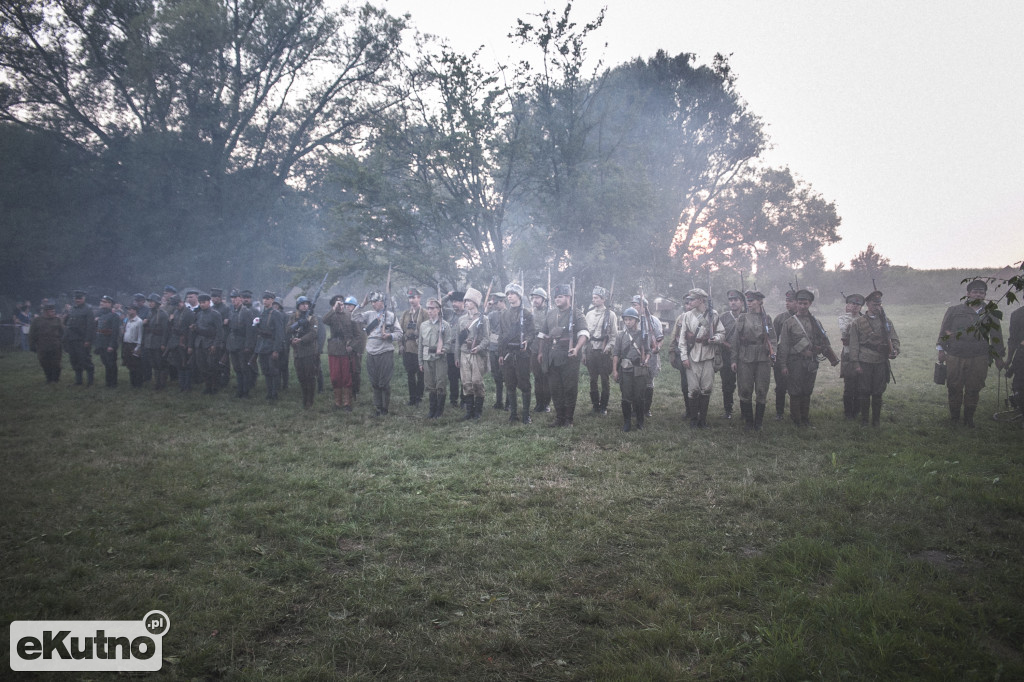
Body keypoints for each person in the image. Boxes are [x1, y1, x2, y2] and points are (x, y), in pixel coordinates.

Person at [937, 279, 1005, 427]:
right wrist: (941, 349)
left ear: (985, 295)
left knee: (974, 388)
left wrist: (998, 357)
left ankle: (969, 419)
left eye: (981, 292)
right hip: (955, 354)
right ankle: (954, 418)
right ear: (968, 294)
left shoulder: (990, 313)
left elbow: (996, 336)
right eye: (975, 292)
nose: (978, 295)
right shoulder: (955, 311)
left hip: (979, 356)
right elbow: (944, 330)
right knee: (954, 386)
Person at [777, 289, 839, 426]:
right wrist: (783, 365)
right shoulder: (789, 323)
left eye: (805, 303)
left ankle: (805, 418)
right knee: (795, 391)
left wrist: (819, 349)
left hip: (811, 362)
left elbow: (824, 341)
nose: (803, 306)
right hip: (795, 362)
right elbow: (784, 346)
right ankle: (796, 419)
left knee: (807, 390)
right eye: (800, 303)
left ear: (810, 304)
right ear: (796, 304)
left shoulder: (816, 322)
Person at [538, 283, 590, 426]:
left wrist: (577, 348)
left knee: (569, 388)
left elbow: (584, 334)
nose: (557, 299)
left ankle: (568, 419)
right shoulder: (550, 314)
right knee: (555, 388)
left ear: (568, 297)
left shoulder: (577, 314)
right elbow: (542, 334)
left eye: (560, 296)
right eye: (555, 297)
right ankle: (559, 417)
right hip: (552, 357)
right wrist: (541, 352)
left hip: (569, 356)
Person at [849, 290, 900, 426]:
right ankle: (864, 420)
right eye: (874, 304)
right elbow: (853, 344)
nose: (877, 307)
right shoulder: (858, 323)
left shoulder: (886, 322)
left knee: (878, 392)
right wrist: (855, 363)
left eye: (879, 304)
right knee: (864, 392)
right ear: (867, 305)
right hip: (865, 361)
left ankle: (876, 421)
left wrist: (894, 351)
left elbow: (894, 340)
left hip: (881, 362)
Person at [678, 288, 725, 428]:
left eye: (692, 299)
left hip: (708, 355)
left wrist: (715, 338)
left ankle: (702, 420)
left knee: (707, 389)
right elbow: (682, 339)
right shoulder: (687, 315)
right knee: (693, 390)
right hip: (692, 355)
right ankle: (693, 420)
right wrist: (684, 356)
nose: (690, 302)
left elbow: (722, 333)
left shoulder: (713, 314)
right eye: (689, 300)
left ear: (701, 300)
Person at [728, 290, 775, 430]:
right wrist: (733, 360)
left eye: (752, 301)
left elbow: (773, 338)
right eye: (748, 301)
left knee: (761, 390)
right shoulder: (742, 318)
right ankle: (748, 422)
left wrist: (773, 353)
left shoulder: (767, 318)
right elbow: (735, 340)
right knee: (745, 390)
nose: (749, 304)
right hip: (745, 357)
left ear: (760, 302)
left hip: (763, 357)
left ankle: (758, 423)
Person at [352, 291, 403, 416]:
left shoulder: (390, 316)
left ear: (382, 302)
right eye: (372, 302)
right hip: (371, 351)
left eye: (375, 301)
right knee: (374, 382)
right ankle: (378, 407)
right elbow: (353, 317)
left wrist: (389, 335)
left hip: (385, 351)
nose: (373, 304)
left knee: (383, 382)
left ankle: (385, 408)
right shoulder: (369, 314)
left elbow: (400, 333)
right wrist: (362, 305)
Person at [497, 283, 535, 424]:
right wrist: (501, 354)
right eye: (508, 294)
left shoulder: (526, 314)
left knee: (524, 384)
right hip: (507, 353)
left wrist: (527, 341)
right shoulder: (504, 315)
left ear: (519, 295)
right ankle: (513, 414)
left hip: (522, 353)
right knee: (510, 383)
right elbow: (501, 335)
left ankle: (526, 415)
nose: (510, 296)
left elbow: (532, 333)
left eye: (512, 293)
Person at [612, 307, 649, 431]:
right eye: (626, 320)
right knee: (626, 397)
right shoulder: (620, 335)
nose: (627, 322)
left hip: (640, 369)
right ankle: (627, 422)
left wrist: (646, 360)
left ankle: (640, 422)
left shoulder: (643, 335)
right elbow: (616, 354)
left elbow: (649, 352)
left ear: (636, 321)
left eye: (630, 320)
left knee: (639, 397)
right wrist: (615, 370)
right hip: (626, 369)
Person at [419, 297, 455, 419]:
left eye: (432, 308)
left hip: (440, 358)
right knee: (430, 384)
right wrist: (420, 361)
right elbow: (420, 344)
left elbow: (449, 342)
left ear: (439, 310)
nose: (430, 311)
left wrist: (444, 348)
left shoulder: (445, 325)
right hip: (427, 357)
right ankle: (432, 410)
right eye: (428, 308)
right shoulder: (423, 325)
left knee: (440, 383)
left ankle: (439, 411)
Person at [584, 286, 618, 415]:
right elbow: (585, 335)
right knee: (593, 379)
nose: (594, 300)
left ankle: (603, 406)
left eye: (596, 297)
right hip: (591, 350)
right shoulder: (589, 314)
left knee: (604, 379)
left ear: (603, 299)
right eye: (593, 297)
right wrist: (583, 352)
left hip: (604, 352)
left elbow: (614, 336)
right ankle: (595, 406)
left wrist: (608, 348)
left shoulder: (611, 315)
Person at [457, 287, 489, 420]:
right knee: (466, 383)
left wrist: (479, 347)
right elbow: (458, 341)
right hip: (464, 353)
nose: (466, 303)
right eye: (465, 301)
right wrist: (456, 356)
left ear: (475, 303)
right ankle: (469, 411)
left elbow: (487, 338)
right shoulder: (461, 320)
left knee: (477, 382)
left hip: (476, 355)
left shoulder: (484, 319)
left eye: (468, 301)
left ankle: (478, 411)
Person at [323, 294, 359, 410]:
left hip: (346, 350)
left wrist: (352, 346)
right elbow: (324, 320)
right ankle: (337, 402)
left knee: (346, 377)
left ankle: (347, 403)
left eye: (341, 302)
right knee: (335, 377)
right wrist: (334, 309)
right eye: (337, 303)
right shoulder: (332, 316)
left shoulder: (350, 315)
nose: (340, 305)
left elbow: (357, 335)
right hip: (334, 350)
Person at [288, 295, 320, 408]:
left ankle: (310, 400)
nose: (305, 306)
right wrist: (292, 337)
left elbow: (313, 333)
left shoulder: (312, 317)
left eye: (307, 304)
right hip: (297, 352)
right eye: (302, 304)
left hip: (309, 351)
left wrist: (301, 339)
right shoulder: (293, 317)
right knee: (301, 376)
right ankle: (304, 397)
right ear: (298, 306)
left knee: (310, 376)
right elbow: (288, 329)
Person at [838, 293, 865, 419]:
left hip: (863, 355)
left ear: (861, 307)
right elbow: (845, 331)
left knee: (861, 385)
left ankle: (857, 411)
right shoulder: (843, 318)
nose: (855, 306)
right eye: (852, 304)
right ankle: (848, 412)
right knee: (849, 384)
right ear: (848, 305)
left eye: (858, 304)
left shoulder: (865, 319)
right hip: (848, 354)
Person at [254, 292, 286, 401]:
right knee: (265, 370)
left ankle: (274, 393)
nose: (265, 301)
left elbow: (279, 333)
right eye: (264, 298)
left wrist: (276, 349)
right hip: (262, 345)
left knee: (273, 370)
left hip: (271, 345)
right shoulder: (262, 313)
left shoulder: (276, 314)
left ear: (272, 300)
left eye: (268, 299)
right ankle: (269, 392)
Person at [718, 290, 745, 419]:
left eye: (736, 300)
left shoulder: (747, 316)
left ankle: (745, 411)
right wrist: (726, 344)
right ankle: (728, 410)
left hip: (744, 356)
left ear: (742, 302)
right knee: (727, 385)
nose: (733, 302)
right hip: (727, 355)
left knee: (745, 384)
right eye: (731, 300)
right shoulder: (723, 317)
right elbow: (718, 335)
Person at [225, 290, 256, 398]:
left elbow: (249, 330)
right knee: (237, 368)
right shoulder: (232, 311)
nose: (234, 300)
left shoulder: (246, 312)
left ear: (240, 299)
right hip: (233, 343)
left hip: (243, 343)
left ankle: (245, 391)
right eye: (232, 298)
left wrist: (248, 345)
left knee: (244, 368)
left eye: (236, 298)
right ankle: (239, 390)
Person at [670, 294, 696, 419]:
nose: (688, 306)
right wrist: (672, 353)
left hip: (697, 354)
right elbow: (674, 336)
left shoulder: (701, 317)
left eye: (691, 303)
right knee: (685, 384)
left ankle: (698, 410)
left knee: (698, 384)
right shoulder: (680, 318)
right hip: (682, 354)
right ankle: (689, 410)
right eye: (686, 303)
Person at [772, 290, 797, 420]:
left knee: (797, 387)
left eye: (791, 301)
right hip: (782, 357)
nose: (787, 303)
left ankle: (796, 413)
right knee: (781, 386)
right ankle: (779, 412)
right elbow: (773, 339)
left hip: (798, 357)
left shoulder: (806, 318)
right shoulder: (779, 318)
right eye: (787, 301)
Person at [400, 288, 426, 406]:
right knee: (410, 374)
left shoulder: (424, 313)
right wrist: (400, 345)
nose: (411, 300)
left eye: (414, 297)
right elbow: (400, 331)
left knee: (421, 375)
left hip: (420, 348)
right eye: (410, 298)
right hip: (408, 348)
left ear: (419, 298)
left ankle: (419, 398)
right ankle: (412, 398)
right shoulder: (406, 314)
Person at [64, 290, 96, 386]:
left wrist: (88, 340)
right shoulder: (72, 309)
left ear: (83, 298)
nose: (77, 300)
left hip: (82, 339)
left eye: (79, 298)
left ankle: (90, 381)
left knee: (85, 359)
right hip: (72, 339)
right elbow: (67, 323)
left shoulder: (88, 309)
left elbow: (90, 326)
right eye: (76, 298)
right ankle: (78, 381)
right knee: (74, 360)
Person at [28, 301, 64, 383]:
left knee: (56, 363)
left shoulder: (57, 320)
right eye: (51, 311)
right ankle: (49, 378)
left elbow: (62, 332)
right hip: (42, 346)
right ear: (45, 311)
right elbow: (32, 333)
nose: (53, 312)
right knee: (44, 363)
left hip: (55, 345)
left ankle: (55, 379)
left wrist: (62, 342)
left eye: (53, 311)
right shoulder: (37, 321)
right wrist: (32, 345)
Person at [529, 287, 551, 414]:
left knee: (546, 376)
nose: (534, 300)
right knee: (537, 376)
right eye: (533, 298)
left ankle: (546, 403)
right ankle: (539, 403)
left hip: (547, 346)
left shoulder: (550, 313)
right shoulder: (531, 313)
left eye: (537, 298)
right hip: (534, 346)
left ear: (544, 299)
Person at [444, 291, 466, 408]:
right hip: (451, 350)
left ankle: (464, 400)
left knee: (463, 376)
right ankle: (453, 400)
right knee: (452, 376)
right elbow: (439, 305)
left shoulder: (467, 315)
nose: (454, 304)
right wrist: (447, 296)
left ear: (463, 302)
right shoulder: (449, 314)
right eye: (453, 301)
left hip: (463, 349)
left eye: (457, 301)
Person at [94, 295, 121, 388]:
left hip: (109, 343)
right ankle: (108, 382)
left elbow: (115, 333)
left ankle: (113, 383)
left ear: (110, 304)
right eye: (101, 301)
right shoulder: (99, 315)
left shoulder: (114, 316)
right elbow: (97, 330)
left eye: (105, 302)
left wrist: (111, 345)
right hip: (101, 342)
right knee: (105, 362)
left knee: (111, 363)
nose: (102, 303)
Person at [344, 296, 366, 402]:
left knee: (356, 371)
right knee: (348, 370)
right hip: (348, 347)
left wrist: (358, 350)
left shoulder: (358, 318)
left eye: (350, 305)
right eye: (347, 305)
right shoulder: (347, 317)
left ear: (355, 306)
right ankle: (349, 390)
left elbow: (362, 336)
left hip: (357, 349)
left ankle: (355, 391)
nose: (348, 307)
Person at [487, 291, 507, 410]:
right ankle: (499, 402)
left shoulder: (509, 313)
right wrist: (487, 309)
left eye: (496, 303)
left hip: (505, 348)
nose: (494, 305)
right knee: (496, 377)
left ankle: (509, 403)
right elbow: (483, 320)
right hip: (493, 348)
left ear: (502, 302)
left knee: (508, 377)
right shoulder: (492, 314)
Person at [1005, 304, 1024, 428]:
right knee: (1019, 386)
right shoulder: (1017, 314)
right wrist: (1009, 360)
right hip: (1022, 354)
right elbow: (1013, 339)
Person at [121, 303, 145, 388]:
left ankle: (138, 383)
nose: (128, 311)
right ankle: (132, 382)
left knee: (136, 365)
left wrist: (138, 347)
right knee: (130, 364)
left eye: (130, 309)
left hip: (134, 345)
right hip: (127, 344)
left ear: (135, 311)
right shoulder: (127, 320)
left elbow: (140, 335)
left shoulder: (139, 321)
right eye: (128, 309)